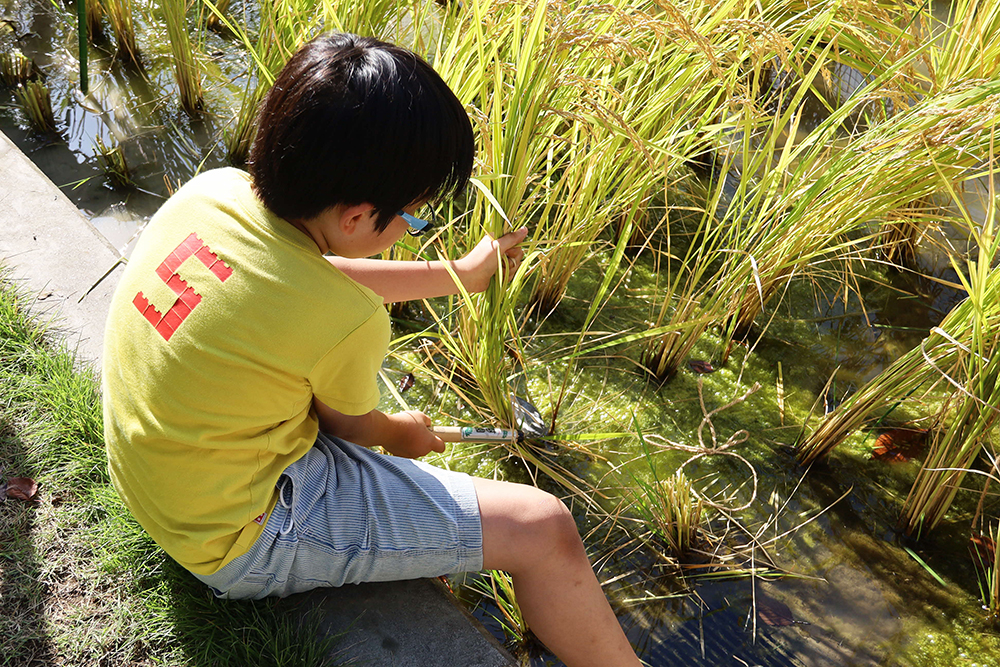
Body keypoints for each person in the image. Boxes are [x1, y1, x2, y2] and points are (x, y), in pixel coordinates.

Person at [102, 32, 640, 667]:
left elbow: (310, 276)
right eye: (411, 218)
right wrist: (403, 432)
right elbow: (351, 426)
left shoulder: (213, 192)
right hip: (234, 539)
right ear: (358, 217)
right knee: (543, 526)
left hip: (155, 476)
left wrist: (458, 276)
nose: (411, 229)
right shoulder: (346, 321)